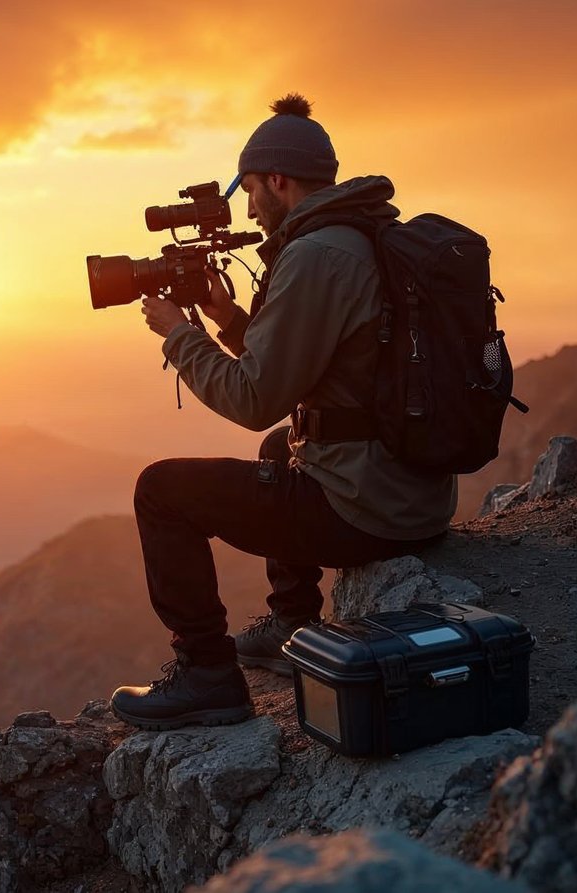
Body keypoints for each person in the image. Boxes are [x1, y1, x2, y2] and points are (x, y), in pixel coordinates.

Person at [109, 94, 457, 731]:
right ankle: (292, 624)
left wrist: (176, 335)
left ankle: (208, 677)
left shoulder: (316, 256)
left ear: (277, 180)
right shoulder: (356, 234)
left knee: (160, 490)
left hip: (369, 511)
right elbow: (308, 373)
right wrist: (226, 319)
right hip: (412, 492)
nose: (246, 207)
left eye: (250, 191)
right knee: (280, 446)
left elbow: (252, 398)